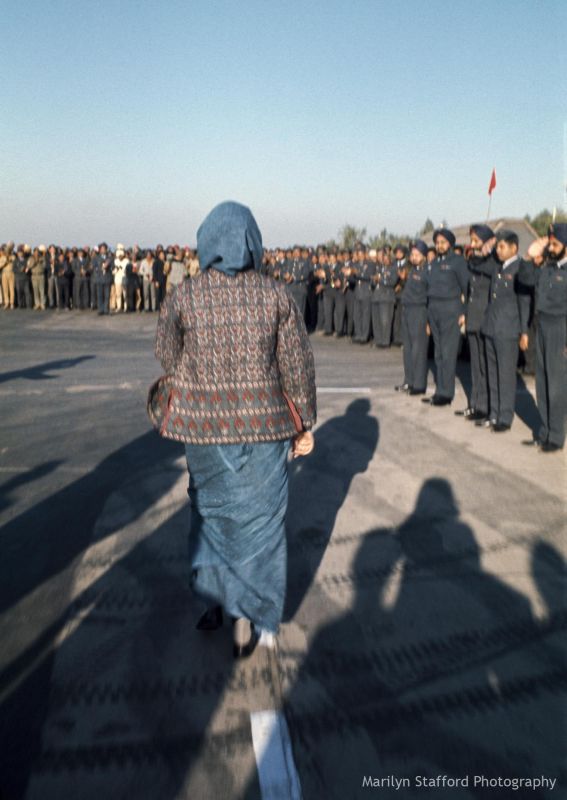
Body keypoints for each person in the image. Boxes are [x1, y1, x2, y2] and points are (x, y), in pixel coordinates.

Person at [149, 201, 317, 659]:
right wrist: (305, 422)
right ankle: (258, 618)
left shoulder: (184, 295)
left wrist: (200, 376)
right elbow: (297, 366)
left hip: (204, 430)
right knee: (261, 522)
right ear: (252, 241)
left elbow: (165, 350)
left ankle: (212, 603)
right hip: (265, 429)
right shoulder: (276, 295)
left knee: (211, 515)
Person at [519, 224, 567, 451]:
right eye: (550, 243)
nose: (551, 248)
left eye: (555, 244)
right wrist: (530, 254)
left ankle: (556, 437)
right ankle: (545, 431)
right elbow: (525, 278)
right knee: (543, 382)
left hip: (561, 329)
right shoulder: (547, 268)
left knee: (557, 386)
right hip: (542, 327)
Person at [477, 230, 530, 432]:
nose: (498, 250)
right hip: (491, 327)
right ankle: (494, 413)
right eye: (497, 246)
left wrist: (523, 331)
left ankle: (505, 417)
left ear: (514, 248)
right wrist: (486, 249)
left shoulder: (520, 268)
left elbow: (524, 302)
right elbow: (476, 263)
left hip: (508, 330)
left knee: (506, 375)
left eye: (501, 246)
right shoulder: (497, 267)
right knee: (492, 374)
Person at [422, 228, 469, 406]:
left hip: (451, 309)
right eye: (437, 242)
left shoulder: (458, 262)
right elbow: (429, 290)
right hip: (434, 309)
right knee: (438, 353)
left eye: (443, 242)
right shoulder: (433, 264)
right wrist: (428, 317)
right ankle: (440, 390)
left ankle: (446, 393)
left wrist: (464, 312)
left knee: (448, 353)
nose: (440, 245)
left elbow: (467, 288)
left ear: (450, 243)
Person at [456, 224, 495, 421]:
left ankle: (487, 407)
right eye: (472, 241)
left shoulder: (493, 262)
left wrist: (487, 254)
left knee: (485, 366)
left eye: (476, 241)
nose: (472, 245)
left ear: (488, 242)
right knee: (475, 366)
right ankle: (476, 404)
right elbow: (468, 292)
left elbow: (490, 271)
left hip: (486, 319)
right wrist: (464, 313)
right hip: (472, 318)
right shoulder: (473, 262)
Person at [397, 240, 429, 394]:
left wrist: (428, 320)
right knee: (408, 349)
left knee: (418, 350)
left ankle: (419, 384)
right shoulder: (412, 270)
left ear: (423, 256)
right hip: (407, 310)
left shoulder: (427, 271)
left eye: (417, 255)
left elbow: (430, 296)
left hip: (419, 311)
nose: (414, 257)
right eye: (412, 254)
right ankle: (408, 381)